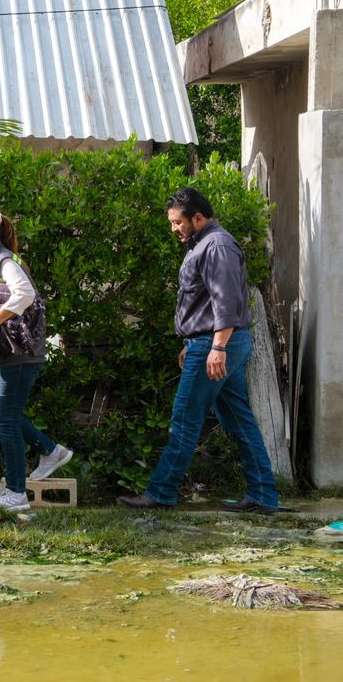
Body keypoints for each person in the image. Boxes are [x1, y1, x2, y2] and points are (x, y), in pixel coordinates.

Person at [118, 188, 279, 514]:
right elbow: (204, 302)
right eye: (172, 223)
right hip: (209, 342)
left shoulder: (216, 245)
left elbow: (227, 301)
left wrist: (216, 346)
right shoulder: (205, 244)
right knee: (238, 419)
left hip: (218, 343)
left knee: (185, 418)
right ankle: (263, 496)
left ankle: (162, 492)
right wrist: (190, 343)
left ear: (198, 218)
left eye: (178, 222)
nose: (174, 229)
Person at [0, 211, 73, 513]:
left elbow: (24, 294)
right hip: (0, 355)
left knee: (7, 418)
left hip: (19, 353)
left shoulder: (6, 262)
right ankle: (50, 450)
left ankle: (16, 493)